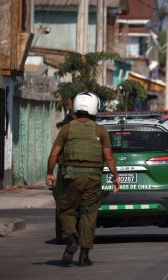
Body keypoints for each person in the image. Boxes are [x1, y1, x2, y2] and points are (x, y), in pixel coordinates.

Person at [46, 92, 120, 267]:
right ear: (95, 107)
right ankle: (84, 255)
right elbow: (109, 158)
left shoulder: (66, 128)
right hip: (93, 178)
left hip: (70, 177)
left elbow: (53, 155)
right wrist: (115, 177)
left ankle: (71, 239)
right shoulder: (100, 130)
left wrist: (50, 174)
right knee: (89, 213)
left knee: (67, 210)